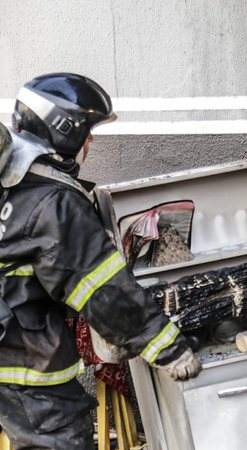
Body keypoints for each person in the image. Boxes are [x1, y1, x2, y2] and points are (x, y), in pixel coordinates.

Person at [0, 73, 201, 450]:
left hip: (10, 355)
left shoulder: (13, 181)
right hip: (27, 364)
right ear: (65, 129)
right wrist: (169, 349)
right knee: (61, 442)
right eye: (88, 130)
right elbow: (103, 290)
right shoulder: (51, 203)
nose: (90, 140)